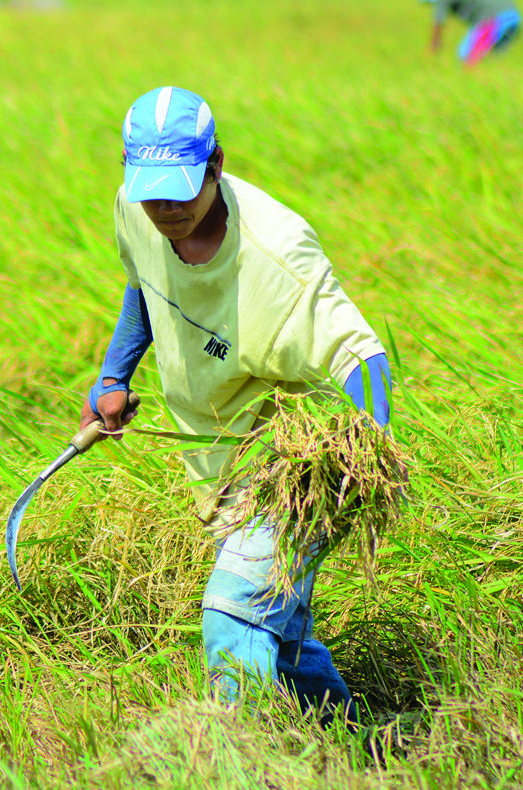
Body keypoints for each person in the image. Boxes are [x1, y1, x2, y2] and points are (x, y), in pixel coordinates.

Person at [80, 86, 393, 725]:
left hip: (291, 465)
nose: (165, 209)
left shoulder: (280, 257)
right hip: (218, 464)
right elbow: (144, 285)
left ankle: (241, 759)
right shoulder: (135, 210)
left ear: (216, 165)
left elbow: (363, 358)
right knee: (281, 639)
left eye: (180, 190)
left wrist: (363, 459)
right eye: (151, 192)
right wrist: (114, 375)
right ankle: (361, 747)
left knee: (233, 619)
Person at [424, 0, 522, 65]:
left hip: (494, 19)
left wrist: (433, 47)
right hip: (514, 16)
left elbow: (438, 22)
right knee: (491, 61)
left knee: (466, 57)